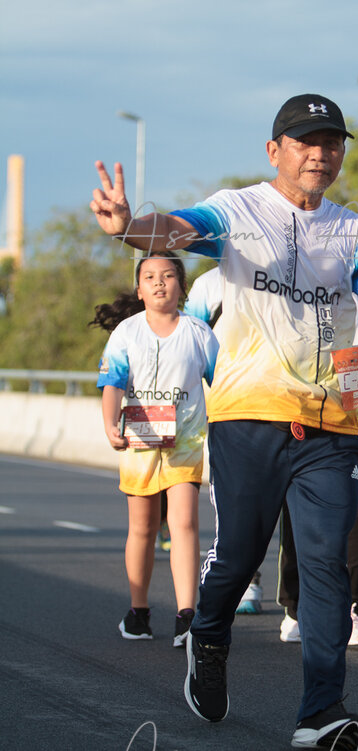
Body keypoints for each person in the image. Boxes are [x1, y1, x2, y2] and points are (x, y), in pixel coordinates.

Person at [91, 93, 358, 751]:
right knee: (238, 556)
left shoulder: (351, 230)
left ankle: (320, 712)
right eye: (306, 141)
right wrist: (127, 226)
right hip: (248, 417)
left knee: (324, 565)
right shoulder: (236, 210)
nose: (321, 154)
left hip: (329, 427)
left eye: (332, 142)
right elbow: (172, 231)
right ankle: (208, 635)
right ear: (274, 151)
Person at [93, 252, 218, 646]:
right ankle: (138, 612)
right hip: (140, 442)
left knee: (184, 525)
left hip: (185, 442)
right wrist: (110, 424)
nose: (159, 283)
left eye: (168, 275)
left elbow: (222, 382)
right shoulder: (126, 333)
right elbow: (112, 384)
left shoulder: (199, 332)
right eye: (150, 277)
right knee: (143, 527)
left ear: (182, 286)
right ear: (139, 290)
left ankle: (186, 616)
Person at [278, 293, 358, 648]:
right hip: (304, 415)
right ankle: (296, 606)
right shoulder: (298, 286)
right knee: (302, 514)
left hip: (356, 421)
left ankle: (353, 607)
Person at [184, 266, 264, 615]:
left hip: (285, 402)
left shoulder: (291, 272)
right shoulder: (207, 285)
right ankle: (246, 581)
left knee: (289, 508)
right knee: (239, 501)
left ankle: (296, 604)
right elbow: (188, 345)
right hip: (229, 407)